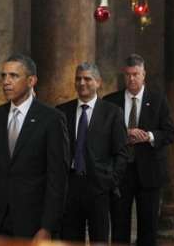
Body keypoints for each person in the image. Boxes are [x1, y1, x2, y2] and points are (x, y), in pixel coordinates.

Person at [0, 54, 69, 240]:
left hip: (33, 222)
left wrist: (48, 226)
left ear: (31, 80)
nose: (6, 82)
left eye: (13, 76)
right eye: (3, 76)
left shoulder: (52, 119)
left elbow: (57, 178)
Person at [104, 54, 174, 246]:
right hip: (120, 172)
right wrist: (123, 133)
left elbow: (170, 133)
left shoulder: (158, 99)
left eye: (136, 74)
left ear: (144, 75)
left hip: (150, 173)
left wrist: (149, 136)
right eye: (128, 75)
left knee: (148, 228)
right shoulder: (111, 101)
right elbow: (102, 135)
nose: (132, 79)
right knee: (119, 226)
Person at [56, 62, 128, 243]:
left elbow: (121, 153)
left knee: (99, 239)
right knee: (70, 239)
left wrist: (110, 181)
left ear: (98, 82)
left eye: (87, 79)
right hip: (70, 186)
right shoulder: (61, 112)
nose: (82, 83)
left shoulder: (112, 113)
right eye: (78, 79)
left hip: (99, 188)